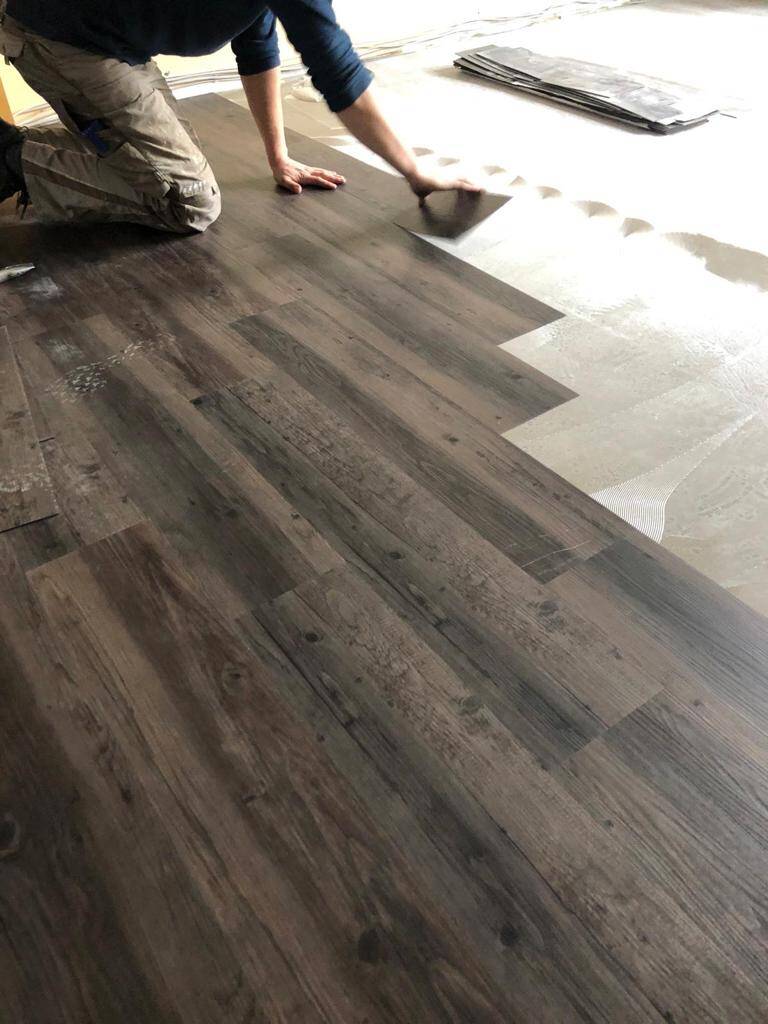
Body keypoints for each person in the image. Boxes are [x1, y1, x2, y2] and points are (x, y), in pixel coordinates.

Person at [0, 0, 480, 233]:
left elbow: (257, 45)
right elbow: (340, 76)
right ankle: (11, 157)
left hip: (108, 39)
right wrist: (414, 171)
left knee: (168, 168)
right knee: (190, 201)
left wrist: (279, 157)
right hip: (58, 38)